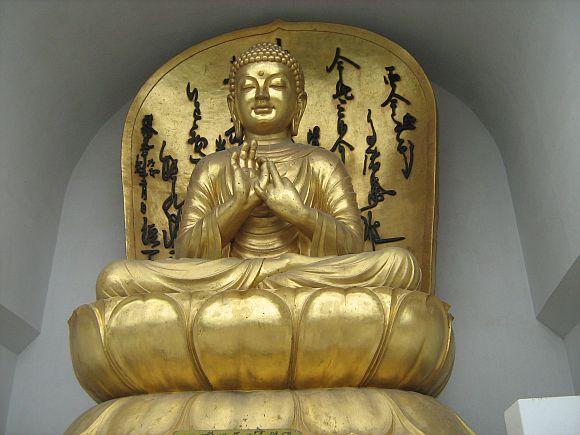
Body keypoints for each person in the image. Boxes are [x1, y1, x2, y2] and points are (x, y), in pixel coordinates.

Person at [97, 42, 420, 299]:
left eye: (277, 85)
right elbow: (187, 253)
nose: (262, 95)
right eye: (249, 87)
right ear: (232, 105)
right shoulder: (214, 167)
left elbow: (351, 246)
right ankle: (272, 289)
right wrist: (238, 204)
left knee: (398, 265)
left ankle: (277, 286)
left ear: (300, 103)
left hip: (301, 275)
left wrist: (297, 212)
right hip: (230, 279)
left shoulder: (320, 162)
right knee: (117, 279)